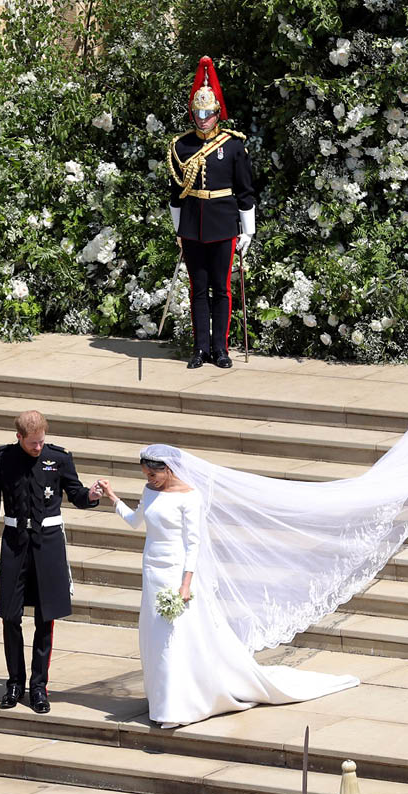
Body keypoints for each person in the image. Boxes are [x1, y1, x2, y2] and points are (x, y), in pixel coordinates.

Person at [99, 439, 408, 727]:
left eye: (154, 473)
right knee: (155, 633)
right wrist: (112, 498)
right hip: (152, 569)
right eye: (146, 473)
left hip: (178, 572)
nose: (150, 478)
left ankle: (180, 703)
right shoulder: (150, 491)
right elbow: (136, 521)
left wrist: (185, 584)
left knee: (177, 634)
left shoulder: (190, 497)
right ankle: (163, 696)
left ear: (169, 470)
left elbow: (193, 543)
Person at [0, 410, 101, 713]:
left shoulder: (58, 458)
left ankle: (38, 687)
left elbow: (75, 493)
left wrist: (93, 495)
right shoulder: (1, 458)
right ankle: (15, 683)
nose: (37, 448)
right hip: (14, 543)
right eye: (32, 443)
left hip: (47, 545)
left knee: (45, 617)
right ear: (19, 437)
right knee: (10, 615)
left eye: (40, 442)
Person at [167, 56, 255, 370]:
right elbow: (175, 195)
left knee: (221, 288)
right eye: (198, 112)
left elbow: (245, 191)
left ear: (217, 113)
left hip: (223, 225)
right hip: (192, 226)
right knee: (197, 290)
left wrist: (248, 230)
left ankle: (221, 349)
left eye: (208, 113)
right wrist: (178, 230)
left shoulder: (232, 145)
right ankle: (200, 349)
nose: (202, 118)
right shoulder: (182, 147)